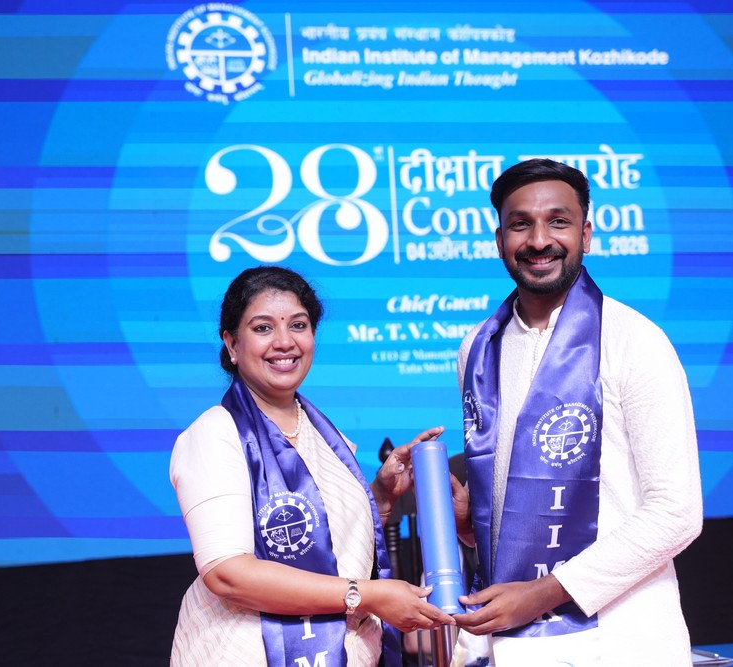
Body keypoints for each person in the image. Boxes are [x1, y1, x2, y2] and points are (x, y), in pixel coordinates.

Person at [450, 159, 703, 666]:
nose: (539, 240)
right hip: (510, 644)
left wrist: (545, 592)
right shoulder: (476, 348)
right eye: (520, 224)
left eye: (558, 221)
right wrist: (469, 520)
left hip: (621, 640)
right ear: (499, 239)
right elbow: (521, 510)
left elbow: (676, 513)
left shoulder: (635, 340)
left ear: (585, 234)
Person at [169, 265, 455, 666]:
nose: (285, 342)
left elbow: (323, 543)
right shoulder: (215, 433)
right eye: (263, 328)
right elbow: (227, 573)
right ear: (232, 344)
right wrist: (367, 596)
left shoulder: (323, 432)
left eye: (298, 325)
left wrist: (379, 497)